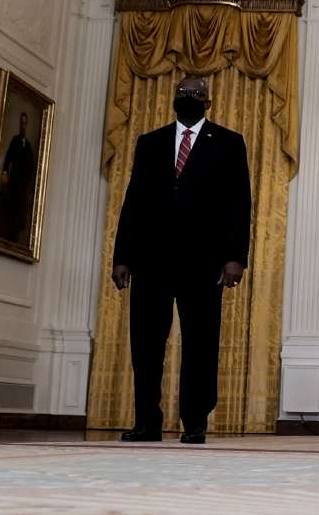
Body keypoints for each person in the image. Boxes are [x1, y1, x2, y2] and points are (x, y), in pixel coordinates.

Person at [111, 76, 252, 445]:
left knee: (200, 344)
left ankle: (194, 421)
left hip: (203, 262)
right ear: (174, 100)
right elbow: (133, 201)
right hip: (150, 260)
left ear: (208, 102)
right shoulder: (149, 142)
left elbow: (239, 204)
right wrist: (122, 257)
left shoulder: (228, 142)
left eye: (196, 95)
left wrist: (236, 258)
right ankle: (147, 422)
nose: (189, 99)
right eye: (183, 94)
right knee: (145, 344)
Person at [0, 111, 36, 243]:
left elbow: (31, 166)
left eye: (25, 123)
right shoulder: (15, 141)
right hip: (13, 182)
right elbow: (8, 158)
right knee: (10, 211)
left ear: (26, 125)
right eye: (21, 123)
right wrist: (5, 172)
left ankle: (14, 238)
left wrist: (27, 182)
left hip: (22, 186)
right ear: (19, 124)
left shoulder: (28, 146)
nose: (23, 126)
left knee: (19, 213)